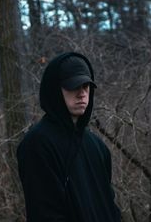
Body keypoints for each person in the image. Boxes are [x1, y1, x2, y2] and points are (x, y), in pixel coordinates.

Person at [17, 52, 121, 222]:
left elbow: (109, 207)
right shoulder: (37, 144)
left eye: (86, 86)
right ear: (55, 90)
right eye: (73, 86)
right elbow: (45, 214)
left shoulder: (97, 147)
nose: (82, 94)